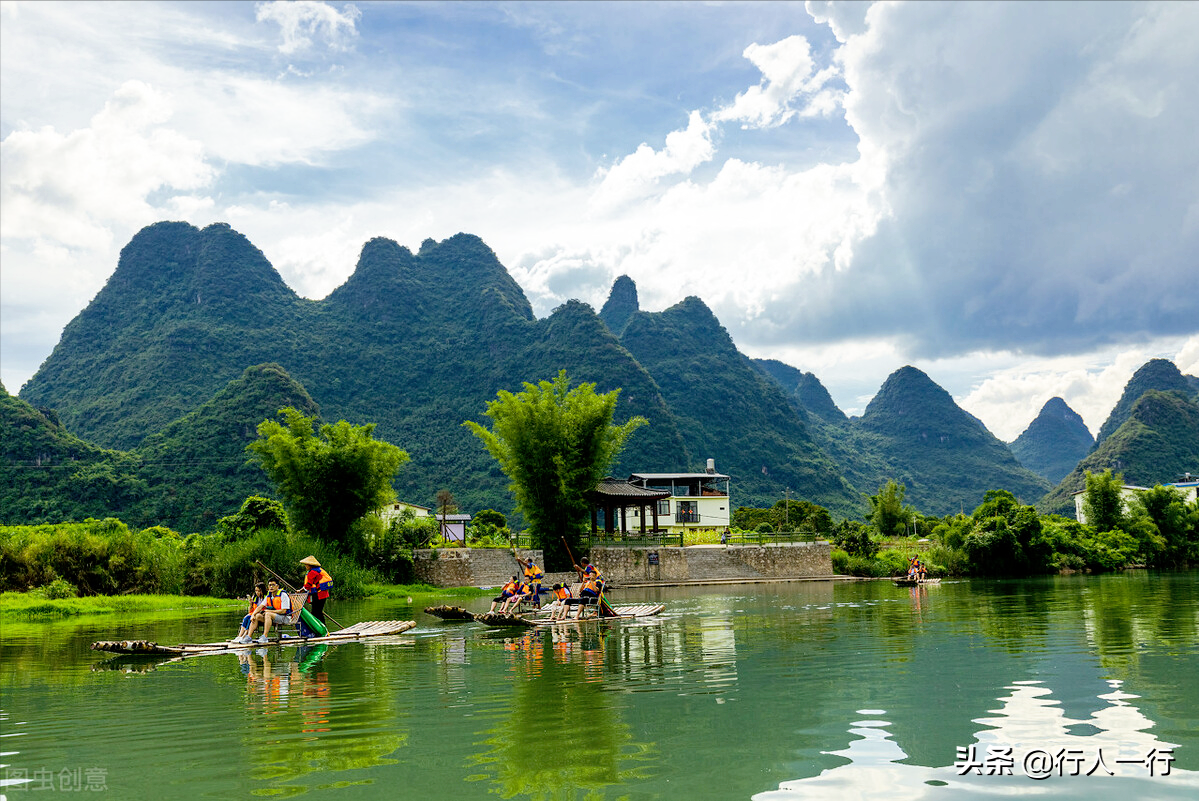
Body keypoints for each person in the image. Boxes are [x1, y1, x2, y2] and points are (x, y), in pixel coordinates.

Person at [241, 579, 292, 643]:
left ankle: (264, 637)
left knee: (267, 614)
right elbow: (260, 606)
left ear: (277, 586)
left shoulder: (283, 595)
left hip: (285, 617)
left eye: (273, 585)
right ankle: (249, 637)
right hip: (273, 617)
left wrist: (269, 611)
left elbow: (284, 611)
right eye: (270, 585)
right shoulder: (269, 595)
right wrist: (253, 614)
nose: (271, 587)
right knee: (257, 616)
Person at [301, 555, 333, 624]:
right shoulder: (317, 570)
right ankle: (322, 627)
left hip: (319, 594)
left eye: (306, 565)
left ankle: (322, 628)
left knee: (316, 612)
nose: (305, 566)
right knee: (317, 612)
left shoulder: (312, 572)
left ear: (310, 565)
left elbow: (309, 584)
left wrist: (301, 590)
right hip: (321, 594)